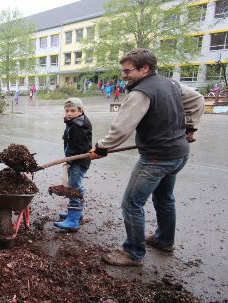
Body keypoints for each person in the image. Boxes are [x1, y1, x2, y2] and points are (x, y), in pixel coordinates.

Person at [91, 48, 204, 266]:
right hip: (178, 154)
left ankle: (133, 253)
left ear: (144, 68)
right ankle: (164, 240)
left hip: (156, 159)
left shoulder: (141, 93)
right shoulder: (171, 83)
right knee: (164, 198)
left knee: (132, 203)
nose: (124, 75)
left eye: (127, 71)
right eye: (122, 70)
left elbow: (121, 128)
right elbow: (197, 99)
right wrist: (190, 128)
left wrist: (102, 148)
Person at [53, 98, 92, 232]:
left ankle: (72, 221)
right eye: (67, 110)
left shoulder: (78, 126)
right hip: (75, 160)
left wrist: (68, 160)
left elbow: (81, 148)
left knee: (74, 189)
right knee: (77, 188)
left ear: (80, 111)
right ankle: (76, 214)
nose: (69, 113)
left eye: (73, 110)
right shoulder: (73, 122)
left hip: (78, 161)